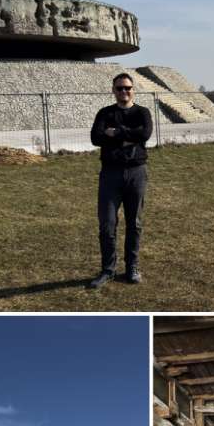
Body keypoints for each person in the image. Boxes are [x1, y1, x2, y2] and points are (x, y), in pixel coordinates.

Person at [87, 73, 153, 289]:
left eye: (127, 88)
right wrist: (127, 136)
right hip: (110, 174)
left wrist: (117, 132)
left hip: (136, 173)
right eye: (119, 88)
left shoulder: (142, 112)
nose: (124, 92)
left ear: (133, 89)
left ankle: (132, 267)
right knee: (107, 224)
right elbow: (96, 137)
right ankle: (108, 269)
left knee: (134, 223)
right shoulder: (105, 113)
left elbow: (144, 134)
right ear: (113, 90)